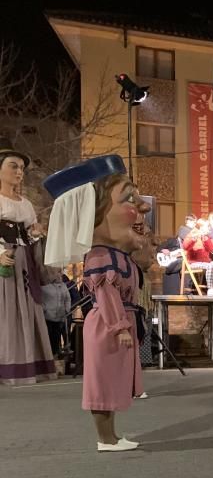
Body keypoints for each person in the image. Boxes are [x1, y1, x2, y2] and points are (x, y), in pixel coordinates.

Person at [43, 155, 144, 451]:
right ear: (94, 213)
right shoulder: (100, 257)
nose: (144, 206)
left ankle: (111, 436)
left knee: (112, 382)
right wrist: (119, 326)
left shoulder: (115, 255)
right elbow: (107, 295)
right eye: (129, 197)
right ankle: (105, 439)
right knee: (103, 383)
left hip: (117, 322)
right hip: (108, 325)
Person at [0, 141, 57, 386]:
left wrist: (35, 234)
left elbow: (29, 234)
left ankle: (27, 366)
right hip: (5, 259)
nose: (19, 172)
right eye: (13, 166)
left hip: (24, 263)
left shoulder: (25, 204)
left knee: (25, 310)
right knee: (6, 312)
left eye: (21, 167)